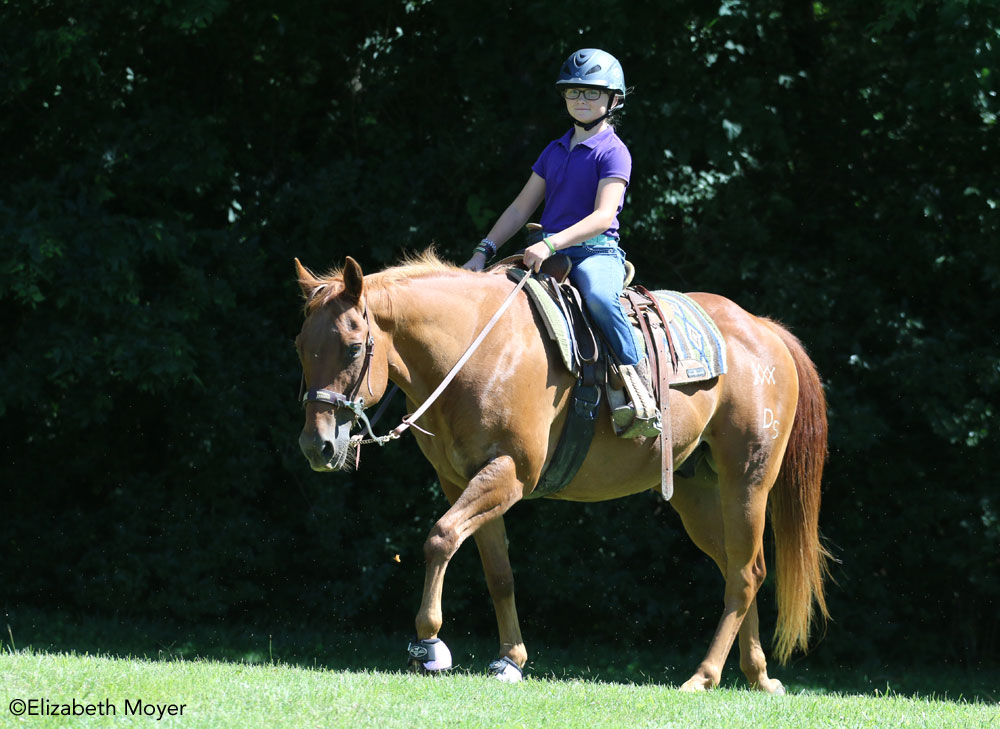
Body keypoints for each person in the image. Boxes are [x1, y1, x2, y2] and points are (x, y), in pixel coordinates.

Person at [462, 48, 659, 436]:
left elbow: (604, 216)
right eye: (573, 93)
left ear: (613, 99)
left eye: (591, 93)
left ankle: (640, 386)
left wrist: (551, 245)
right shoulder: (554, 150)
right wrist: (482, 252)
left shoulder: (614, 151)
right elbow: (520, 209)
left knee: (600, 300)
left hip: (594, 251)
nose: (581, 100)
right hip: (544, 251)